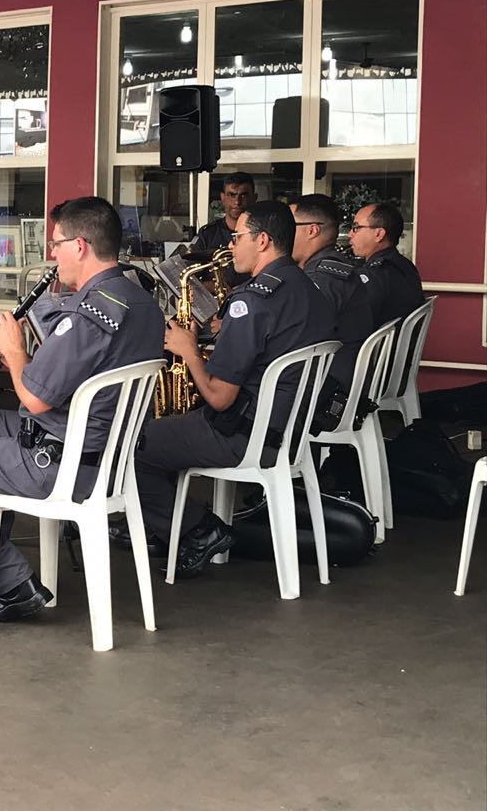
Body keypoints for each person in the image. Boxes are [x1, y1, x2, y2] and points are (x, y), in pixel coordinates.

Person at [0, 197, 165, 622]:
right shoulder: (139, 301)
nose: (51, 253)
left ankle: (10, 584)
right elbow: (75, 374)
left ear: (79, 246)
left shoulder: (89, 312)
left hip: (63, 462)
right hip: (107, 453)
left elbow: (36, 399)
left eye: (56, 243)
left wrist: (15, 350)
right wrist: (12, 359)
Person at [130, 200, 336, 578]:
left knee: (129, 447)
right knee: (166, 434)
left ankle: (198, 530)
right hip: (289, 432)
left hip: (246, 436)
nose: (230, 246)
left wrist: (190, 351)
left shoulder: (252, 302)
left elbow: (220, 397)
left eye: (237, 236)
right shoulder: (307, 287)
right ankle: (170, 527)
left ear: (262, 241)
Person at [289, 194, 374, 414]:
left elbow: (297, 332)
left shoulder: (323, 276)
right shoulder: (325, 267)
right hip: (332, 378)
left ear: (312, 230)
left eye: (290, 226)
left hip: (331, 391)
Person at [347, 201, 424, 328]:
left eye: (356, 228)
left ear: (379, 234)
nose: (350, 234)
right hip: (400, 346)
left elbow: (354, 321)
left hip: (377, 347)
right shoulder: (406, 266)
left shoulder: (375, 274)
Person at [190, 171, 255, 253]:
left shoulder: (263, 233)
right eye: (231, 195)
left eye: (243, 196)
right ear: (223, 198)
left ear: (254, 198)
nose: (237, 202)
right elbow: (188, 262)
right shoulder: (208, 234)